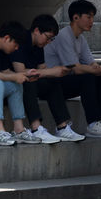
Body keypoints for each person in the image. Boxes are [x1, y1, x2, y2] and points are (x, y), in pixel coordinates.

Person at [45, 0, 101, 138]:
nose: (92, 21)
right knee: (88, 78)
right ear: (75, 17)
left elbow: (91, 63)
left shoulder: (80, 38)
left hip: (66, 81)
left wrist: (99, 69)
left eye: (93, 17)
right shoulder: (64, 36)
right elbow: (76, 69)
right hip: (53, 84)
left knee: (99, 76)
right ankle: (92, 124)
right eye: (88, 17)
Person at [11, 14, 85, 143]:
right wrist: (50, 71)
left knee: (51, 81)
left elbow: (43, 69)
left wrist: (56, 71)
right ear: (36, 30)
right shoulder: (21, 41)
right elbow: (20, 72)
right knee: (29, 81)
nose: (48, 42)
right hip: (14, 84)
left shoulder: (39, 46)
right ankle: (36, 128)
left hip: (29, 83)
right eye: (48, 37)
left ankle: (62, 127)